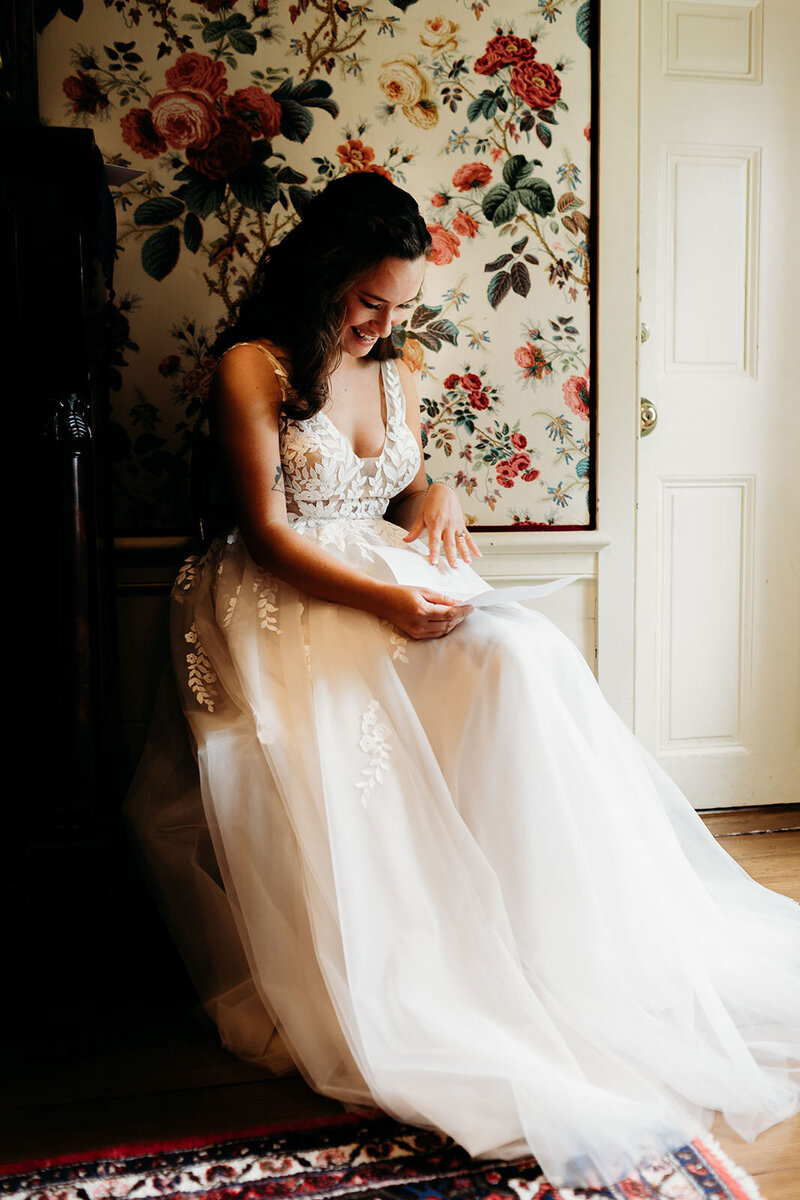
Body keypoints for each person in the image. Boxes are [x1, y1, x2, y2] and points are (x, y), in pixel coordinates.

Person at [126, 172, 800, 1192]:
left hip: (379, 569)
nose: (382, 326)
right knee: (418, 700)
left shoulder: (397, 362)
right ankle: (434, 968)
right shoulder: (251, 366)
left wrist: (435, 490)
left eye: (401, 307)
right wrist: (385, 604)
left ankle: (552, 939)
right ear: (322, 278)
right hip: (282, 591)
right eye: (366, 304)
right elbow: (266, 532)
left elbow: (396, 483)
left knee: (527, 658)